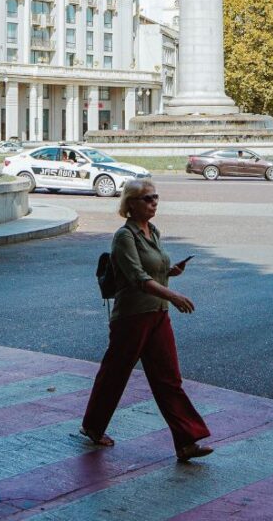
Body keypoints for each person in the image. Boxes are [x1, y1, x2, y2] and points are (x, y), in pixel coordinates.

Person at [79, 178, 212, 463]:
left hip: (158, 314)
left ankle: (187, 441)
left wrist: (172, 271)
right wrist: (173, 295)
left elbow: (155, 269)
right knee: (115, 375)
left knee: (169, 379)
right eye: (147, 198)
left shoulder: (153, 231)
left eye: (156, 197)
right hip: (132, 317)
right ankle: (93, 426)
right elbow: (138, 278)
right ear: (130, 204)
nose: (154, 202)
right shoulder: (124, 237)